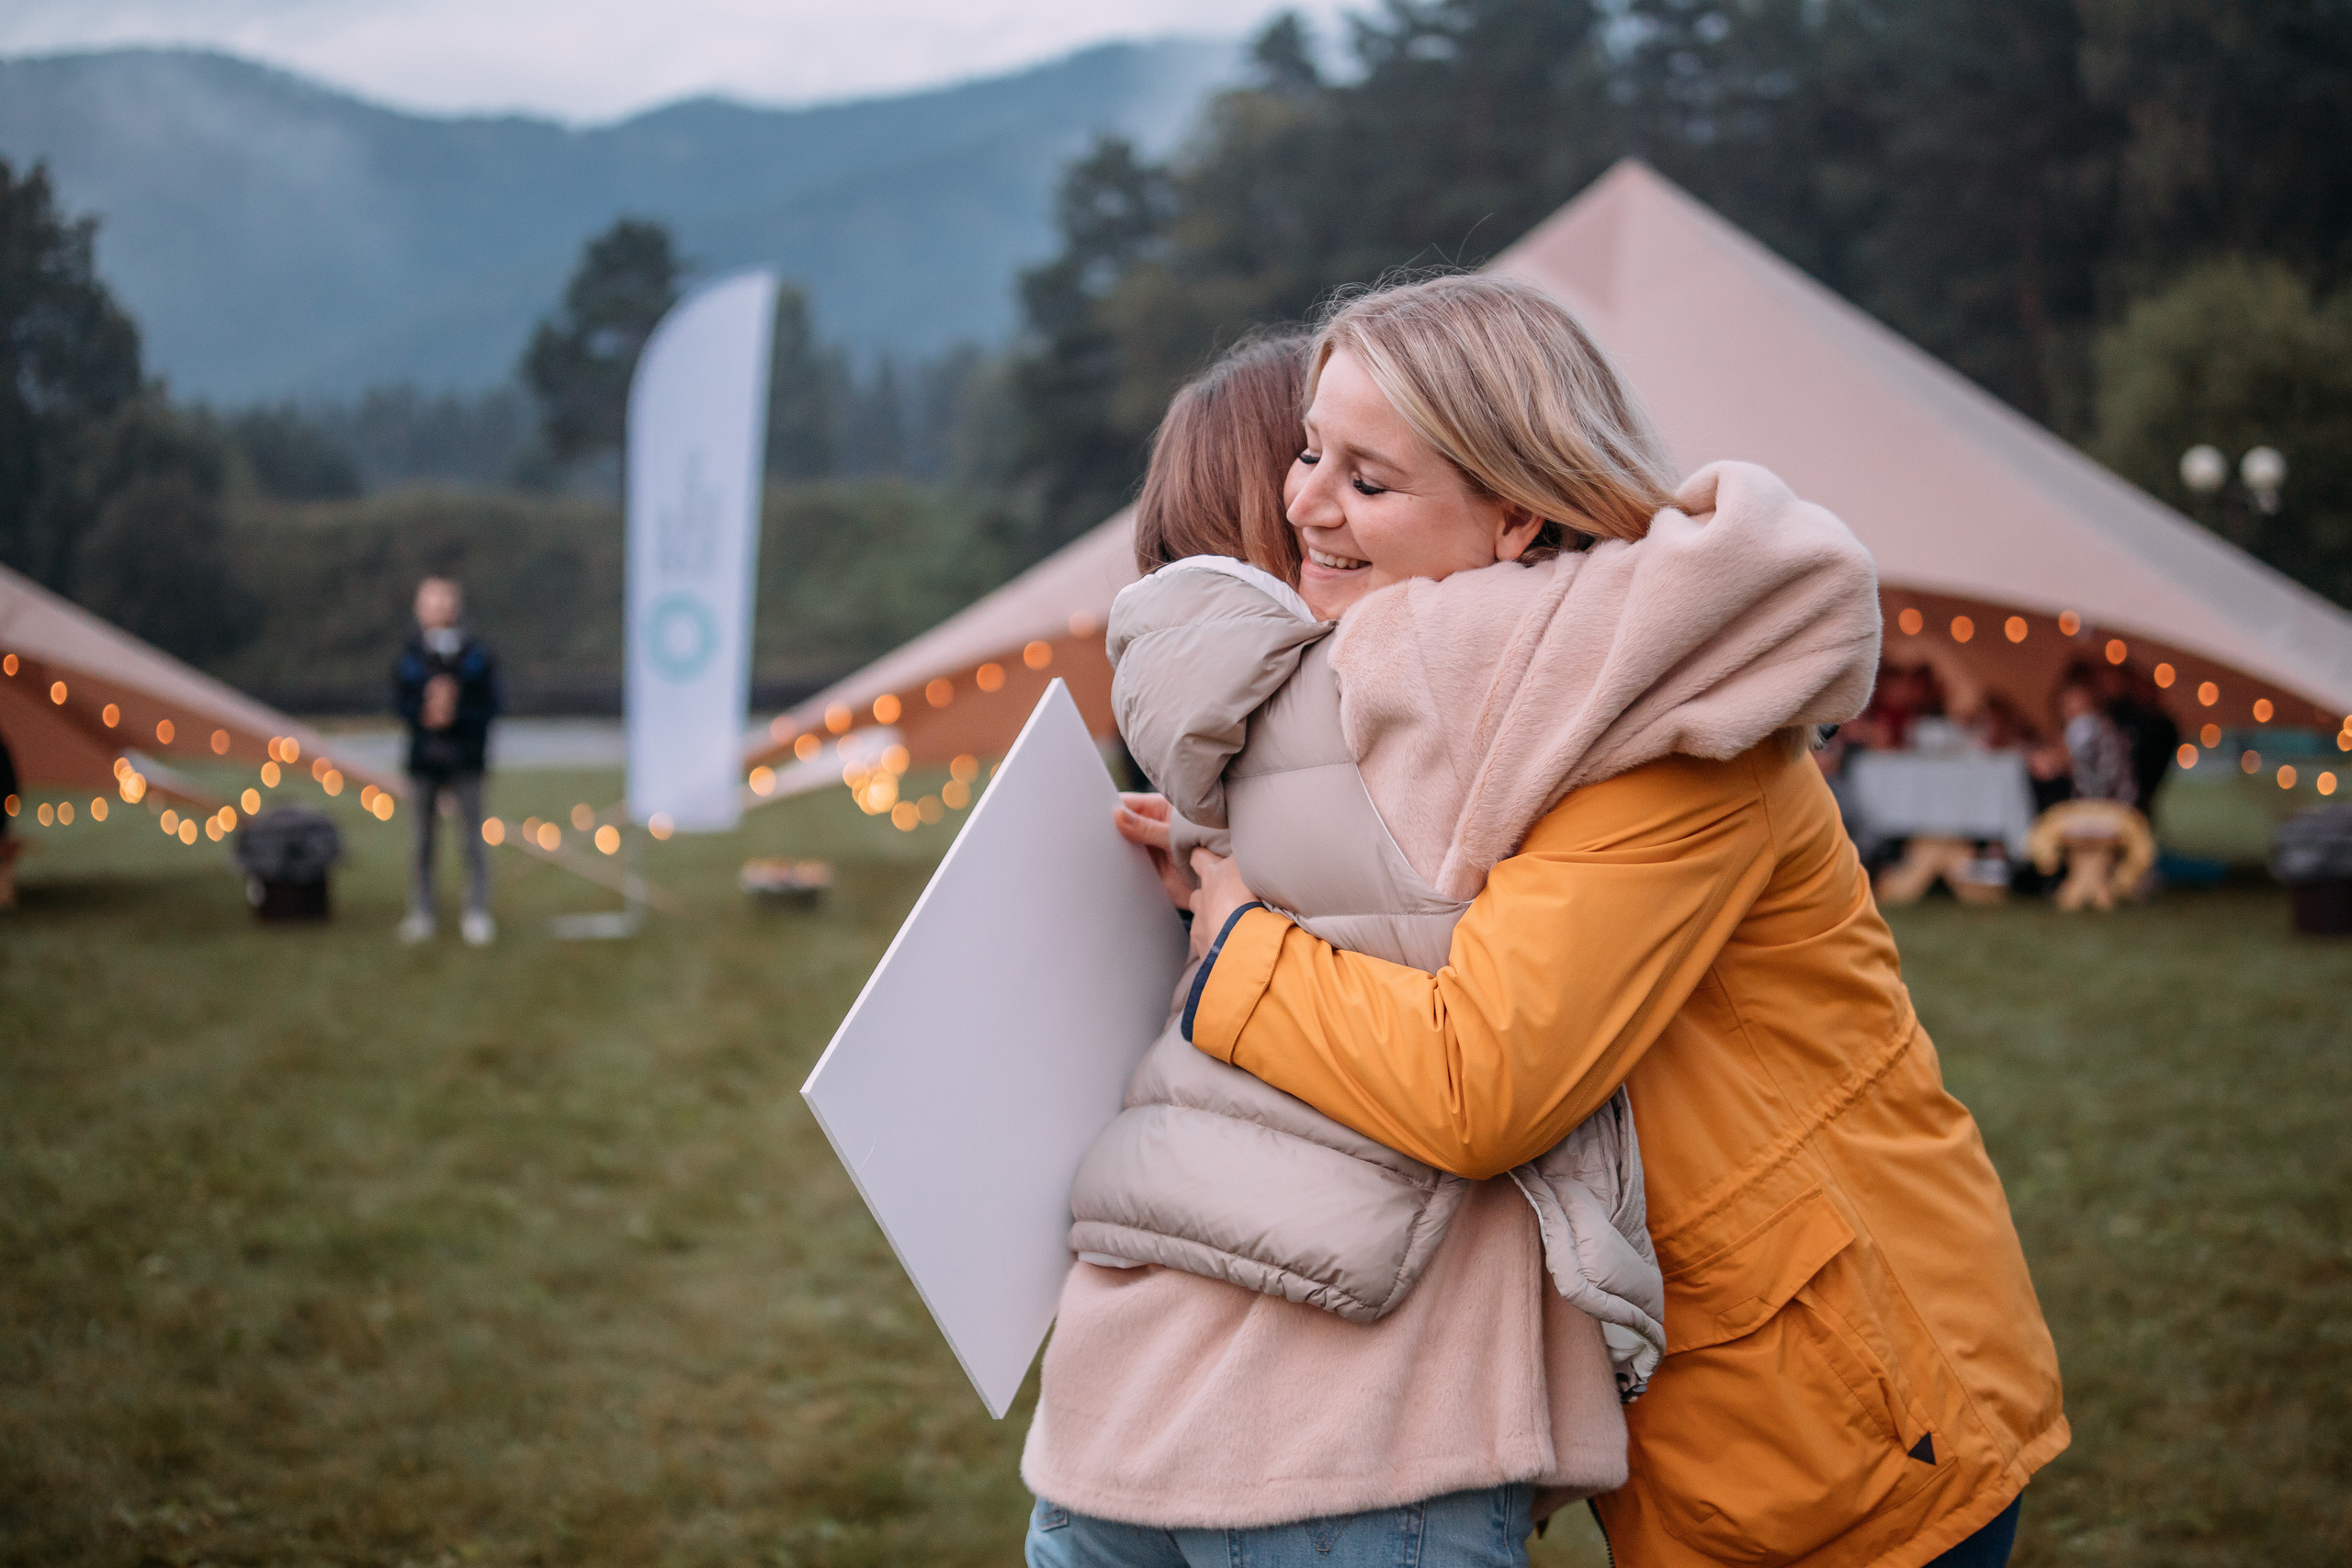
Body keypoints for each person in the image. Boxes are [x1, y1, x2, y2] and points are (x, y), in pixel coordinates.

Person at [1095, 276, 2064, 1567]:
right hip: (1718, 1386)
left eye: (1366, 480)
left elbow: (1479, 1074)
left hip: (1844, 1413)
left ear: (1514, 514)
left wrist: (1235, 942)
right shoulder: (1480, 700)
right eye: (1311, 455)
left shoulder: (1662, 733)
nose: (1306, 500)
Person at [392, 576, 499, 945]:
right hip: (425, 760)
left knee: (472, 839)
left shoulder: (476, 654)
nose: (437, 609)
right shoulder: (410, 655)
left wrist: (457, 712)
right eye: (430, 602)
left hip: (466, 758)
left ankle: (476, 911)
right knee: (422, 839)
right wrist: (425, 712)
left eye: (443, 601)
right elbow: (400, 702)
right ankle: (422, 912)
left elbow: (490, 703)